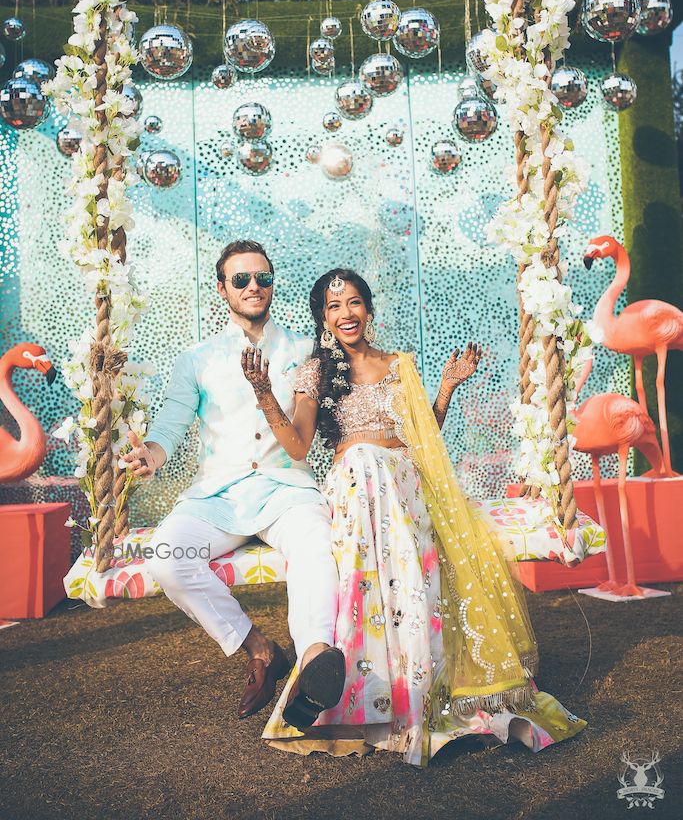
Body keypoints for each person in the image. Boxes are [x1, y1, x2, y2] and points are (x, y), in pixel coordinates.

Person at [240, 268, 587, 766]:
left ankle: (418, 693)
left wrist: (445, 387)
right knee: (363, 460)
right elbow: (297, 446)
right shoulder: (316, 372)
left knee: (382, 467)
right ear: (323, 317)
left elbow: (424, 440)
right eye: (335, 307)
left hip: (403, 487)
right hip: (359, 491)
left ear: (369, 308)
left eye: (354, 303)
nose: (346, 314)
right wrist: (263, 392)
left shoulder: (399, 365)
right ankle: (364, 696)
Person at [121, 240, 345, 723]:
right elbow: (172, 423)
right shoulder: (198, 358)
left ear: (272, 283)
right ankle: (259, 648)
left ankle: (314, 659)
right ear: (222, 289)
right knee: (165, 557)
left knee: (315, 545)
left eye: (262, 278)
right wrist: (151, 454)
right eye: (241, 279)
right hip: (218, 494)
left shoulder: (304, 349)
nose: (253, 287)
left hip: (287, 489)